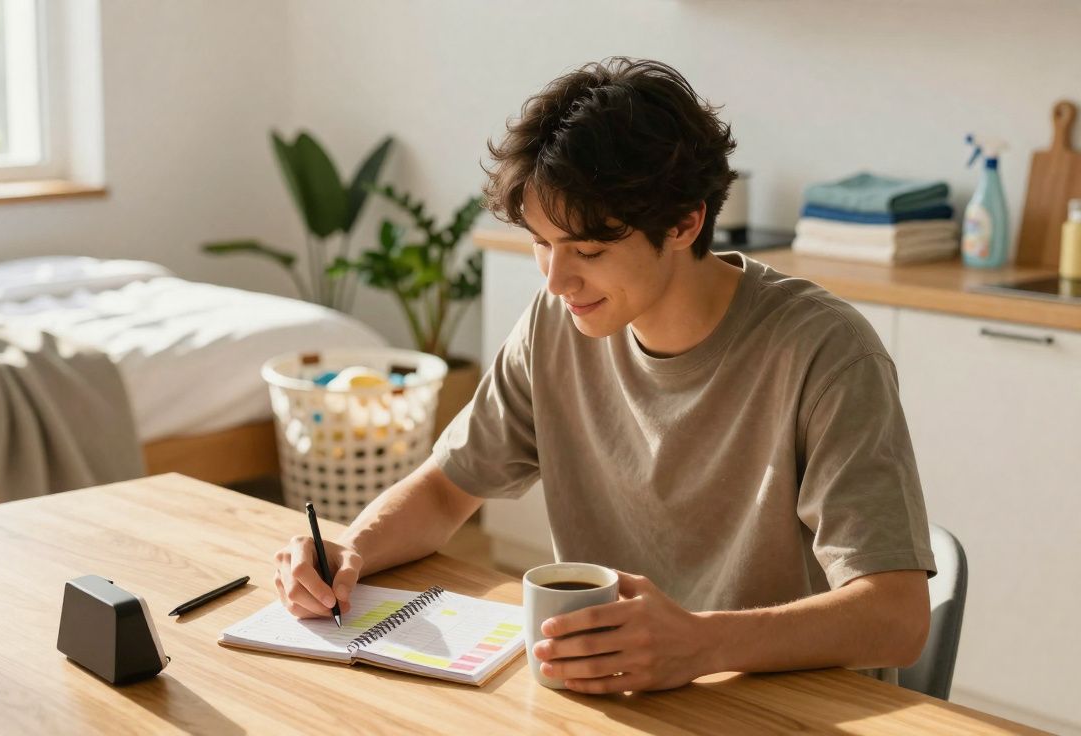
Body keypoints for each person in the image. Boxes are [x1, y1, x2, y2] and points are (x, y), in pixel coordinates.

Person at [272, 57, 936, 693]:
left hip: (789, 709)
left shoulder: (825, 351)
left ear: (684, 222)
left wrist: (702, 642)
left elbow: (896, 618)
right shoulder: (557, 324)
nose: (557, 280)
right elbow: (449, 490)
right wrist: (348, 552)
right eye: (541, 244)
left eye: (587, 250)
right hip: (619, 696)